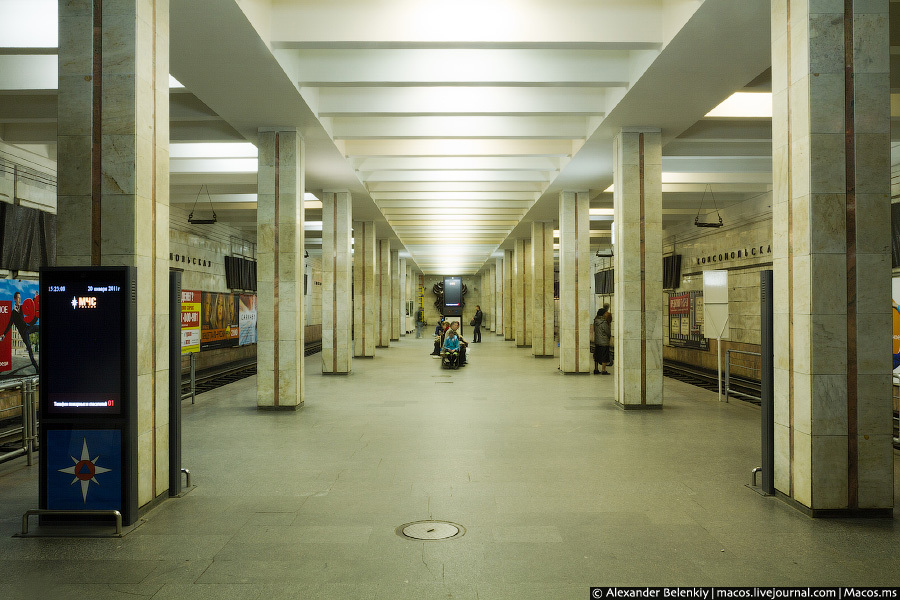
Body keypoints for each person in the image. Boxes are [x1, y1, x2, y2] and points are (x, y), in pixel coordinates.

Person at [0, 291, 39, 373]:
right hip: (24, 334)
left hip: (28, 328)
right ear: (15, 299)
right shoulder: (13, 313)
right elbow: (10, 324)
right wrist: (4, 334)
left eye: (20, 298)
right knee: (30, 350)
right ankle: (37, 368)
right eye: (18, 298)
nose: (19, 299)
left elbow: (31, 307)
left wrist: (34, 298)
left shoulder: (22, 307)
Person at [593, 310, 612, 375]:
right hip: (604, 341)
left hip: (597, 340)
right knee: (604, 356)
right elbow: (607, 332)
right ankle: (603, 370)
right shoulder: (604, 322)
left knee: (596, 355)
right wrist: (609, 336)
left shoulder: (595, 321)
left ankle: (596, 369)